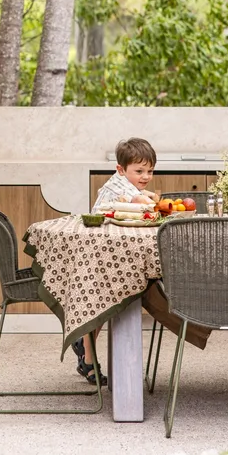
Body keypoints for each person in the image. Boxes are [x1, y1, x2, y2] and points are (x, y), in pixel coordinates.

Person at [74, 138, 159, 385]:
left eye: (150, 171)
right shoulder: (120, 186)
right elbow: (146, 205)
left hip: (114, 253)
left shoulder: (127, 185)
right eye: (139, 171)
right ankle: (88, 357)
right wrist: (150, 199)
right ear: (121, 170)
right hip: (98, 255)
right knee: (105, 297)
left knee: (110, 295)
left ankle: (85, 347)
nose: (146, 176)